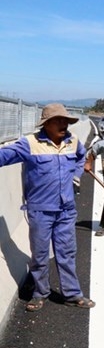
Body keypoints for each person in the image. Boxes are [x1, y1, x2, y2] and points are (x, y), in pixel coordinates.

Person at [0, 103, 95, 312]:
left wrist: (76, 175)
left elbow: (82, 157)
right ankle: (40, 293)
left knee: (67, 252)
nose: (64, 125)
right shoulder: (29, 144)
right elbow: (3, 156)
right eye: (58, 121)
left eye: (66, 121)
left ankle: (72, 294)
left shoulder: (73, 141)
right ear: (46, 124)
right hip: (40, 209)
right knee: (40, 253)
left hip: (66, 209)